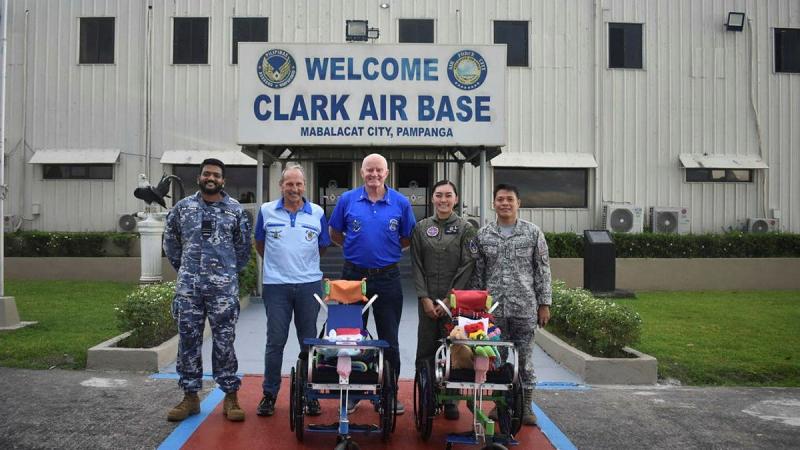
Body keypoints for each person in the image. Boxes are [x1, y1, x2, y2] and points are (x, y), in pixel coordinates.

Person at [163, 158, 252, 422]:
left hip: (222, 290)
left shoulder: (235, 211)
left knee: (224, 342)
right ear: (199, 178)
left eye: (215, 175)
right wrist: (188, 271)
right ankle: (190, 397)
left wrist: (224, 273)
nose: (210, 178)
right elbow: (170, 243)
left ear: (223, 180)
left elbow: (243, 250)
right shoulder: (183, 208)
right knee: (188, 342)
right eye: (206, 174)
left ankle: (230, 397)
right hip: (189, 289)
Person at [328, 153, 416, 415]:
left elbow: (406, 237)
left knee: (389, 339)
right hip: (352, 276)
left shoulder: (400, 203)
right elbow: (335, 233)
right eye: (369, 170)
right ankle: (352, 392)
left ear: (387, 173)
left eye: (379, 170)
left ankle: (389, 393)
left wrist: (383, 254)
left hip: (388, 277)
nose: (374, 175)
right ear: (362, 173)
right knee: (349, 337)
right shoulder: (347, 200)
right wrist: (356, 250)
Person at [470, 183, 551, 426]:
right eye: (500, 199)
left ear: (518, 203)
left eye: (510, 199)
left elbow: (543, 270)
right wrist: (477, 307)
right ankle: (500, 404)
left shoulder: (533, 233)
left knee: (525, 359)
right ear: (493, 204)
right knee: (497, 359)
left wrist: (544, 303)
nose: (505, 203)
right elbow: (478, 274)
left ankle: (526, 406)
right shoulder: (484, 235)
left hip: (525, 307)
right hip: (494, 310)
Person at [254, 165, 330, 417]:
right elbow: (260, 244)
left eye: (298, 184)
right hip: (276, 286)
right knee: (275, 342)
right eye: (289, 184)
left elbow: (322, 246)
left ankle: (311, 396)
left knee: (309, 343)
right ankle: (269, 394)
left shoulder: (317, 212)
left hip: (309, 285)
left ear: (304, 186)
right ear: (281, 185)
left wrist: (302, 268)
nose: (294, 189)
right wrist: (280, 268)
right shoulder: (266, 211)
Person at [410, 180, 476, 420]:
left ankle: (451, 400)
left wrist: (449, 300)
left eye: (448, 195)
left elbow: (467, 264)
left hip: (454, 303)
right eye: (439, 195)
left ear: (456, 199)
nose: (443, 200)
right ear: (432, 199)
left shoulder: (466, 228)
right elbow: (416, 265)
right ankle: (426, 395)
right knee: (426, 349)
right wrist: (424, 298)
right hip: (427, 301)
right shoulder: (421, 228)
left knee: (454, 349)